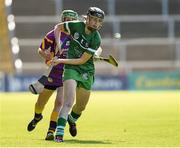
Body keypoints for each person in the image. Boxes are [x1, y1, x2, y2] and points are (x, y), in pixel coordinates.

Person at [51, 7, 105, 142]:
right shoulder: (76, 26)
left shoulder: (96, 38)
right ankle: (59, 134)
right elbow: (58, 27)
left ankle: (71, 119)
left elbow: (82, 60)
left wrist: (60, 60)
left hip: (86, 70)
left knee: (81, 107)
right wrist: (59, 46)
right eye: (93, 19)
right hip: (71, 68)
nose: (96, 23)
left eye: (99, 21)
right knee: (68, 102)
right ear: (88, 18)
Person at [27, 9, 78, 141]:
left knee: (60, 102)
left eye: (72, 20)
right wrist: (46, 55)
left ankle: (51, 131)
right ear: (63, 20)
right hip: (52, 73)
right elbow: (40, 49)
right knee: (41, 103)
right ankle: (37, 116)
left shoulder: (77, 36)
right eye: (67, 19)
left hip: (67, 73)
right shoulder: (53, 34)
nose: (69, 22)